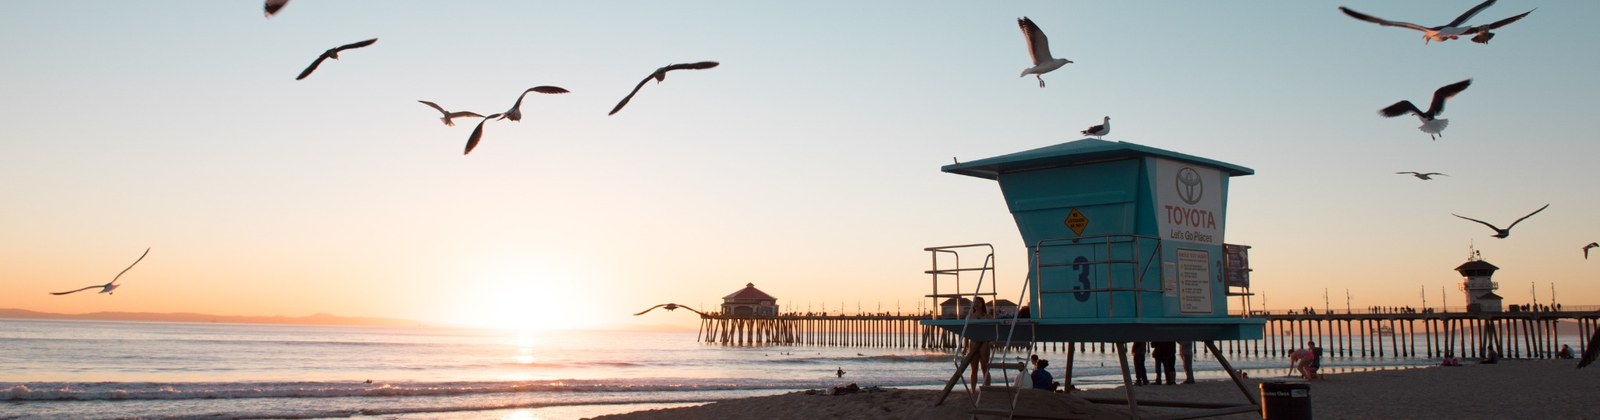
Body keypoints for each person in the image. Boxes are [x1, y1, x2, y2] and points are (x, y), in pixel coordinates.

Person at [967, 297, 993, 387]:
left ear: (982, 304)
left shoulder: (987, 317)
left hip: (984, 342)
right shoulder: (970, 316)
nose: (976, 304)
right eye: (975, 302)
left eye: (978, 302)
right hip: (973, 342)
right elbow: (967, 331)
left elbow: (993, 327)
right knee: (974, 368)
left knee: (984, 366)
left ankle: (987, 388)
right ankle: (973, 390)